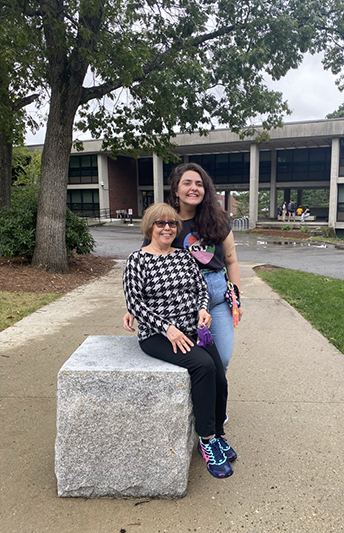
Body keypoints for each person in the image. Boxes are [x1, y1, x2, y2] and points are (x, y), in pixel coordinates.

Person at [123, 203, 236, 479]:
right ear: (150, 226)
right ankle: (206, 440)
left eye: (172, 224)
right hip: (158, 335)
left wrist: (202, 310)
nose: (167, 228)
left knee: (220, 375)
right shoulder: (137, 260)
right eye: (160, 223)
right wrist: (168, 328)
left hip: (194, 328)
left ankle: (218, 432)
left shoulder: (184, 257)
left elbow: (200, 288)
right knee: (203, 367)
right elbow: (135, 303)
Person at [123, 162, 243, 375]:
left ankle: (216, 406)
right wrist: (132, 307)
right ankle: (195, 404)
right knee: (192, 360)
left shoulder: (219, 220)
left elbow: (231, 261)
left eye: (199, 184)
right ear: (176, 190)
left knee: (222, 358)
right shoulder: (165, 222)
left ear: (205, 190)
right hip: (180, 299)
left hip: (216, 296)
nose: (193, 188)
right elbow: (144, 262)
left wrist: (237, 299)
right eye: (187, 183)